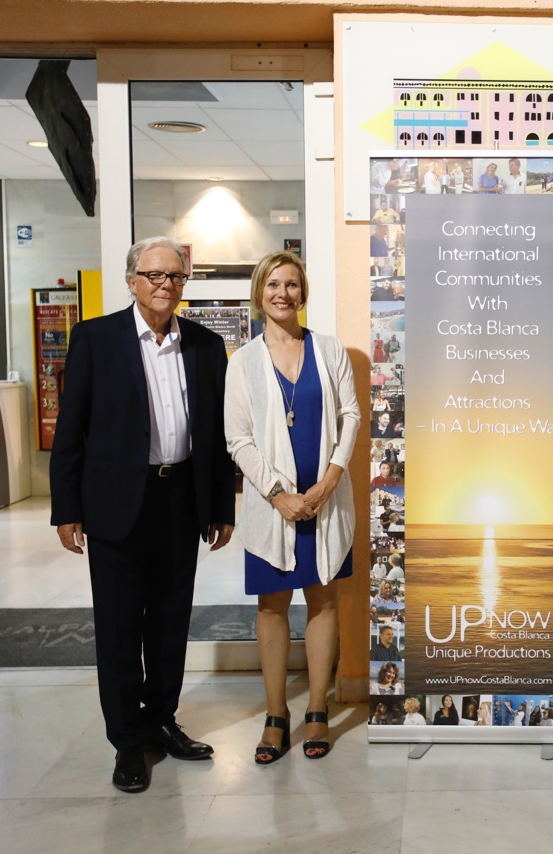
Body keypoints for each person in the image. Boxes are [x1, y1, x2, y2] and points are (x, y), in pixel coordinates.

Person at [50, 236, 236, 794]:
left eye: (175, 277)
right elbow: (71, 430)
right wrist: (67, 507)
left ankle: (162, 720)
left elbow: (217, 437)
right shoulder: (95, 339)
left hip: (179, 498)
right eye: (154, 275)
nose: (165, 286)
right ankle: (128, 742)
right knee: (118, 624)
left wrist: (220, 506)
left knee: (171, 622)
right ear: (131, 280)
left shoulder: (205, 345)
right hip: (114, 503)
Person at [224, 250, 359, 764]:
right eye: (273, 284)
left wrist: (328, 483)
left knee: (323, 602)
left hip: (326, 501)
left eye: (292, 285)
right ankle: (277, 714)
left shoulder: (328, 351)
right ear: (259, 292)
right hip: (270, 507)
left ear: (304, 292)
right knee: (272, 606)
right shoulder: (243, 362)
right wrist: (278, 496)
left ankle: (319, 708)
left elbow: (350, 415)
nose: (283, 293)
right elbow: (237, 439)